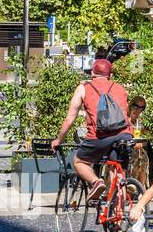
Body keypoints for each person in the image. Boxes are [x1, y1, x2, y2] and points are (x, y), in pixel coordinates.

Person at [50, 58, 131, 202]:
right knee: (117, 172)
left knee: (79, 161)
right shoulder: (121, 88)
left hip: (99, 137)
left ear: (92, 73)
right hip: (124, 135)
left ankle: (96, 182)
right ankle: (117, 218)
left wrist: (58, 140)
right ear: (110, 75)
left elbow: (70, 118)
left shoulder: (84, 88)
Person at [127, 95, 153, 184]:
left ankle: (141, 188)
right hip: (125, 147)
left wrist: (141, 144)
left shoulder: (141, 122)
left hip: (137, 148)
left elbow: (148, 137)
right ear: (130, 105)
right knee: (137, 154)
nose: (138, 110)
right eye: (136, 106)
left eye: (142, 108)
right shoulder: (124, 119)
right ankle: (131, 185)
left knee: (142, 155)